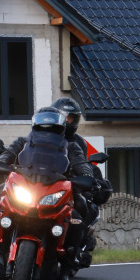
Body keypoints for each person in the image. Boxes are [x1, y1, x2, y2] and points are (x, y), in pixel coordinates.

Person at [0, 108, 95, 280]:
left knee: (80, 209)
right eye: (43, 127)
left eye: (52, 128)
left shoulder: (70, 146)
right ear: (36, 126)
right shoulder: (23, 142)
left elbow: (81, 163)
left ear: (60, 128)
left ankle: (67, 267)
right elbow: (7, 155)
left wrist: (86, 175)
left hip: (54, 187)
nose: (47, 131)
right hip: (27, 186)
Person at [52, 96, 111, 267]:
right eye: (65, 117)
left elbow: (82, 164)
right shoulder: (42, 135)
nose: (68, 121)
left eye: (72, 118)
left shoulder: (77, 141)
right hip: (46, 182)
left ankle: (75, 248)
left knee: (82, 208)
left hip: (69, 184)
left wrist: (88, 178)